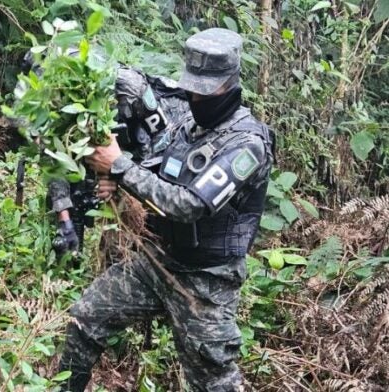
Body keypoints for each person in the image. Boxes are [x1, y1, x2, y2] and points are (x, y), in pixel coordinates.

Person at [56, 28, 274, 391]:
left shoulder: (247, 144)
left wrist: (120, 167)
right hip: (157, 262)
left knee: (215, 382)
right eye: (193, 86)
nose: (196, 96)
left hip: (205, 282)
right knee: (83, 321)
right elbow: (155, 169)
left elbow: (188, 204)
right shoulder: (187, 125)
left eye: (207, 89)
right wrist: (118, 178)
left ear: (231, 84)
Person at [49, 66, 190, 258]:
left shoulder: (129, 87)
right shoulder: (58, 107)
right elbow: (56, 162)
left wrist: (119, 176)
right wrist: (64, 218)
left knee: (145, 226)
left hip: (167, 138)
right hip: (121, 149)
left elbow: (163, 145)